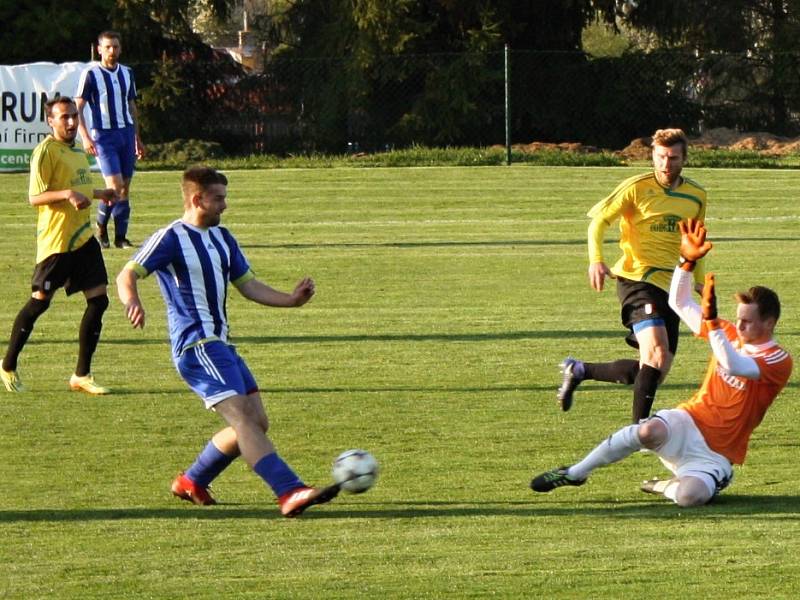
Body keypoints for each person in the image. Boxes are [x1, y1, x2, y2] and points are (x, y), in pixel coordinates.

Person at [116, 166, 339, 517]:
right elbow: (127, 273)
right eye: (218, 198)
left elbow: (248, 285)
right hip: (196, 346)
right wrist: (132, 300)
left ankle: (193, 480)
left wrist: (291, 300)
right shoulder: (170, 238)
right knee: (244, 421)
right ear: (196, 199)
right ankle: (289, 490)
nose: (225, 205)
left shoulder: (223, 239)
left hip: (221, 345)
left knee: (257, 422)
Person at [531, 219, 792, 507]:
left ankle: (665, 485)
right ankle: (575, 473)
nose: (739, 325)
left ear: (769, 323)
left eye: (747, 321)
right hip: (689, 421)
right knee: (647, 431)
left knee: (689, 497)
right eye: (738, 318)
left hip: (716, 453)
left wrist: (713, 324)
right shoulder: (728, 333)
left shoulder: (777, 360)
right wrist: (686, 262)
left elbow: (734, 366)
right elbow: (679, 302)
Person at [558, 128, 708, 423]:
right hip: (637, 278)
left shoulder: (696, 196)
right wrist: (596, 260)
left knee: (654, 370)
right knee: (655, 353)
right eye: (661, 157)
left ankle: (579, 370)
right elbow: (598, 223)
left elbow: (696, 240)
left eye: (673, 158)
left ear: (684, 159)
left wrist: (698, 281)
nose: (666, 164)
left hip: (674, 287)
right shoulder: (636, 187)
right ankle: (638, 432)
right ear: (652, 155)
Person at [0, 96, 117, 394]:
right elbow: (34, 197)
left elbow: (78, 185)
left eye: (74, 116)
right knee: (40, 302)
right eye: (63, 117)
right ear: (50, 121)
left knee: (99, 300)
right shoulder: (45, 151)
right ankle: (8, 363)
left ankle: (81, 375)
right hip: (57, 242)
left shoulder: (76, 148)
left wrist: (100, 192)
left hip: (83, 238)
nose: (70, 122)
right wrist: (67, 195)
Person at [76, 30, 145, 250]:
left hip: (125, 133)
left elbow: (132, 107)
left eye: (115, 46)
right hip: (104, 137)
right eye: (107, 47)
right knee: (114, 187)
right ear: (99, 50)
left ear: (120, 48)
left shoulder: (127, 73)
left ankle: (120, 237)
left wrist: (137, 138)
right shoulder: (91, 74)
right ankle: (102, 227)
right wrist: (85, 137)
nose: (112, 51)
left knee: (124, 188)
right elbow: (78, 107)